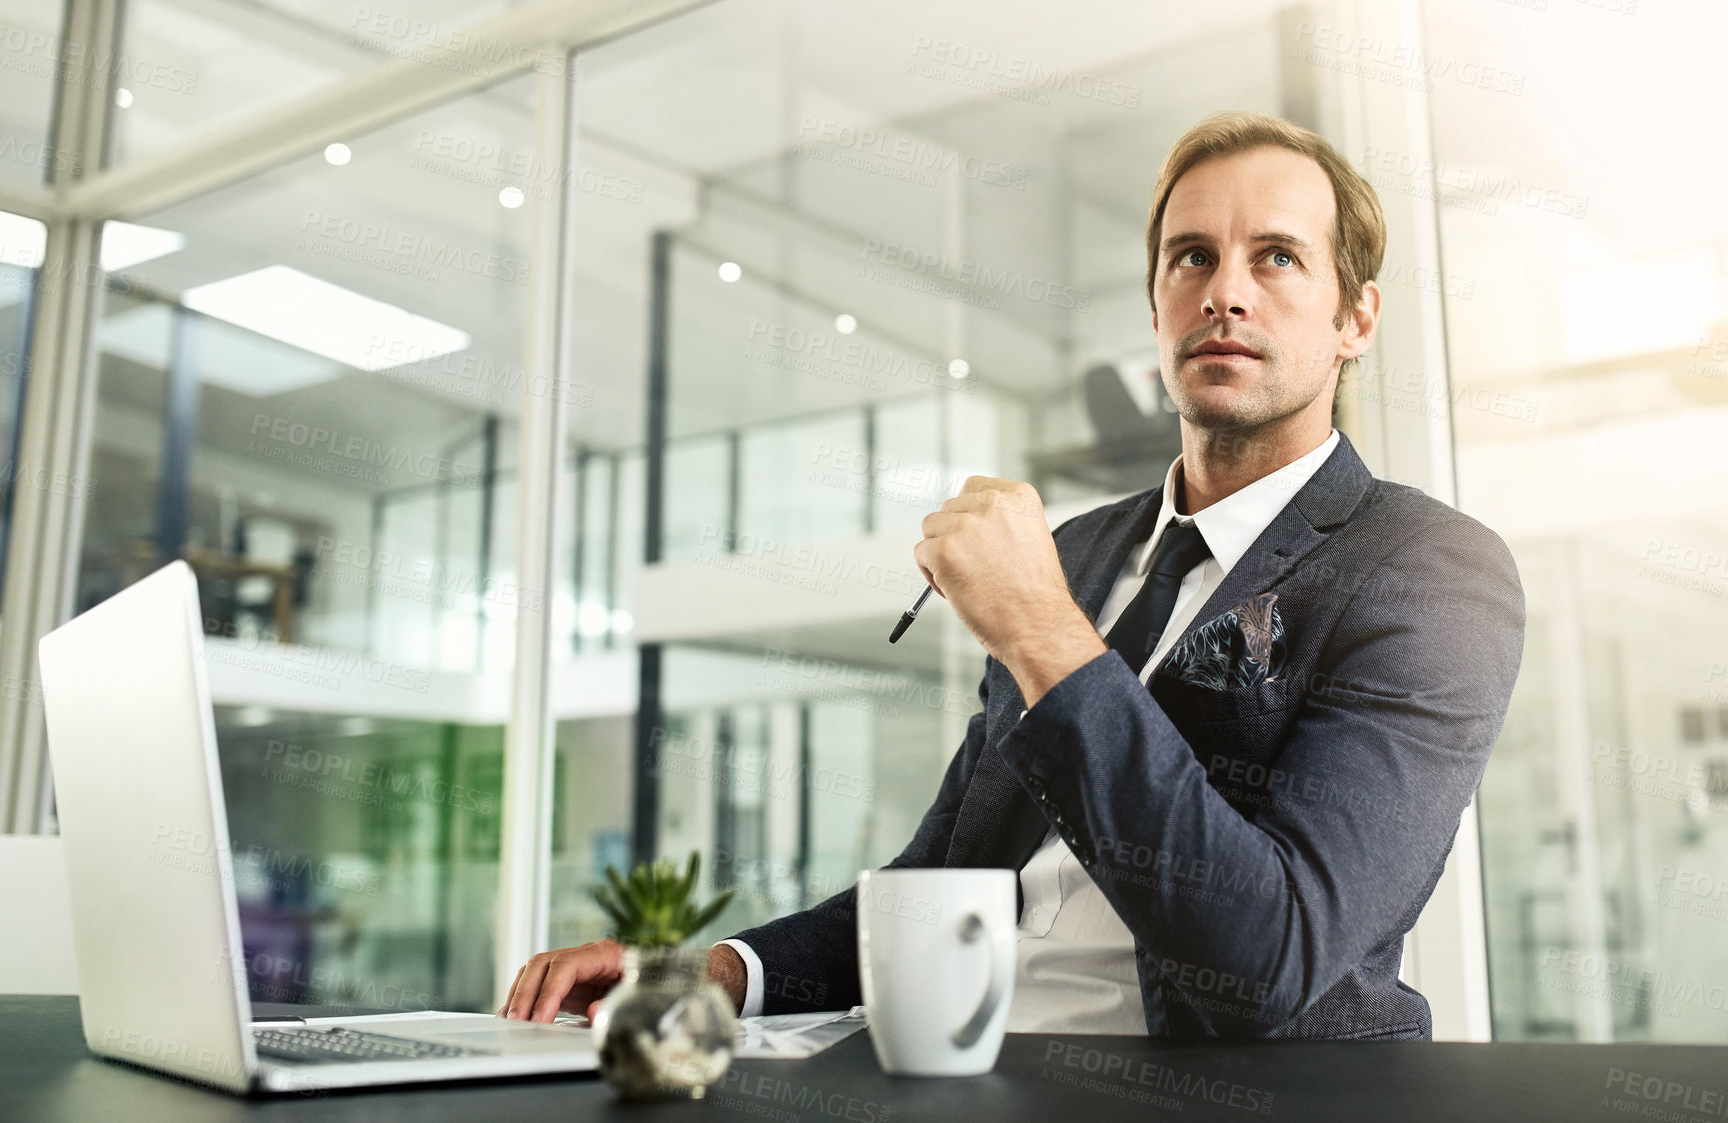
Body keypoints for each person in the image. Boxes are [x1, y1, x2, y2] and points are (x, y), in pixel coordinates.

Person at [498, 110, 1526, 1040]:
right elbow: (943, 883)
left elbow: (1272, 959)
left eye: (1279, 258)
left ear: (1357, 318)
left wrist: (1042, 631)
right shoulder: (1075, 553)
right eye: (1192, 257)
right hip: (962, 1068)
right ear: (1157, 303)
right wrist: (711, 972)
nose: (1225, 291)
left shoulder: (1429, 570)